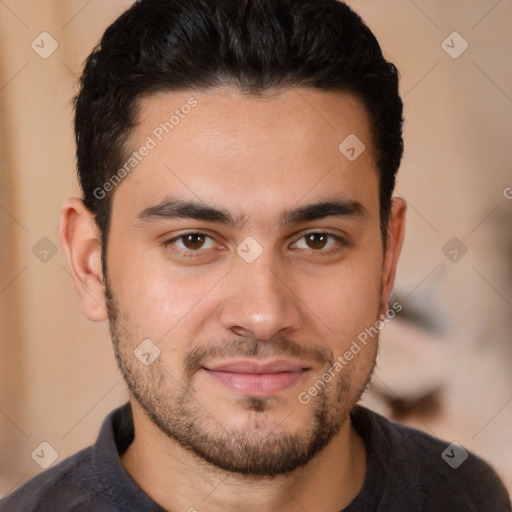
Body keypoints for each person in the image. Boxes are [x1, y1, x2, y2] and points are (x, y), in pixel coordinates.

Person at [1, 0, 510, 510]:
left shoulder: (469, 494)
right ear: (92, 265)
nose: (264, 315)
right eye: (194, 241)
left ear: (387, 257)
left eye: (317, 239)